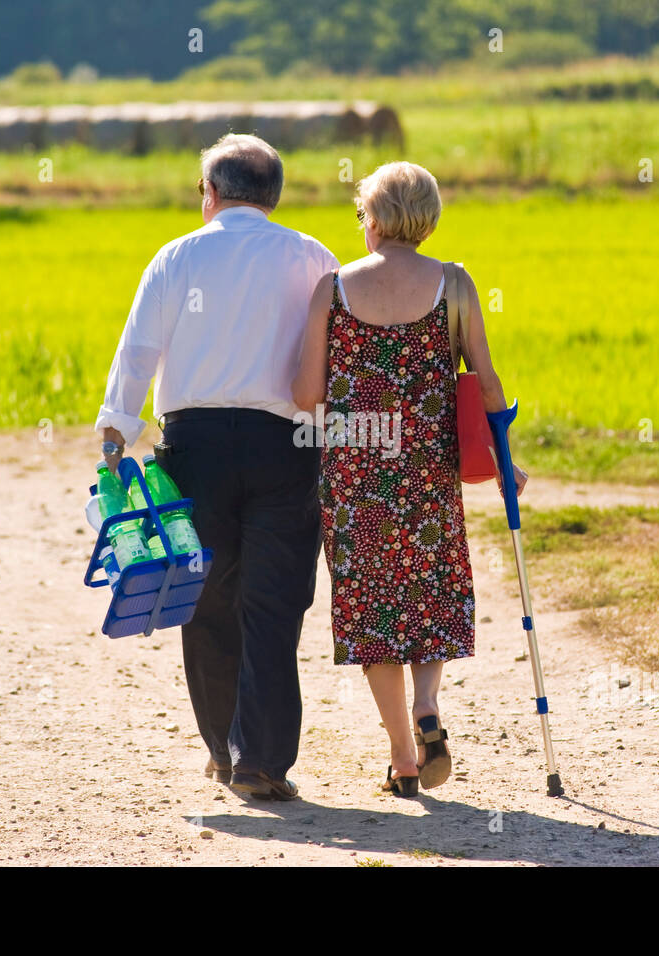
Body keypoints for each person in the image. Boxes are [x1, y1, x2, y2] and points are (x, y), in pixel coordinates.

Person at [97, 134, 338, 801]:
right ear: (273, 196)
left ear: (209, 193)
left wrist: (116, 436)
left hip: (195, 447)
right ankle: (260, 757)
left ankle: (223, 749)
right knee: (276, 599)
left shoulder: (175, 257)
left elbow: (138, 352)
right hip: (287, 447)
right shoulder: (313, 256)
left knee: (206, 598)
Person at [293, 161, 526, 796]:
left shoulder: (333, 288)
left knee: (373, 608)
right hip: (428, 473)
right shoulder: (456, 284)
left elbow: (307, 395)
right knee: (429, 595)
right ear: (427, 217)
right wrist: (506, 462)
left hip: (355, 474)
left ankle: (401, 754)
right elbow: (487, 383)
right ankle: (428, 707)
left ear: (371, 220)